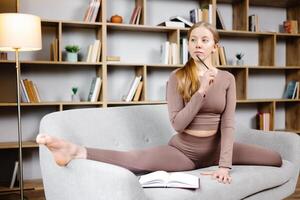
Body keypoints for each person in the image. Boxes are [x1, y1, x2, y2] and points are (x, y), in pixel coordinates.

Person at [36, 21, 282, 185]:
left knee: (275, 158)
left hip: (217, 150)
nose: (198, 44)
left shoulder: (228, 79)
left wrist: (225, 166)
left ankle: (223, 161)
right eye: (194, 39)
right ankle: (75, 151)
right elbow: (178, 124)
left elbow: (228, 126)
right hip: (183, 152)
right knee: (135, 160)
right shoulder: (177, 77)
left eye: (205, 40)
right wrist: (202, 91)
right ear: (189, 45)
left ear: (215, 46)